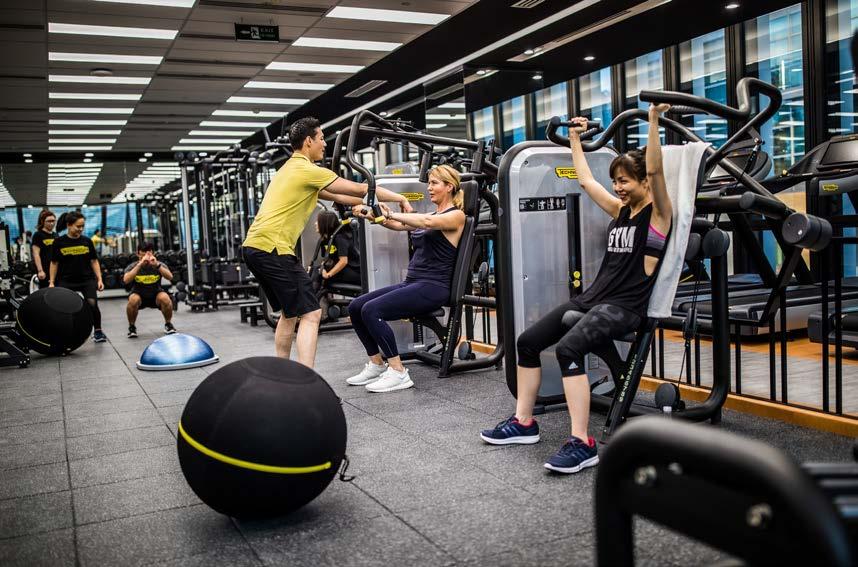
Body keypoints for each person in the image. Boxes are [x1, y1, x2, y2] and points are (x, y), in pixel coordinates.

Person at [479, 104, 674, 474]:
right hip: (594, 299)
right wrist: (573, 138)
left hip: (625, 306)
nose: (617, 187)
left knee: (569, 348)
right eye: (615, 181)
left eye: (625, 181)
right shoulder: (622, 211)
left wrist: (652, 122)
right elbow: (586, 181)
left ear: (645, 183)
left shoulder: (659, 217)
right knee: (527, 342)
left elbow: (655, 169)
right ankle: (524, 422)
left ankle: (582, 442)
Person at [240, 116, 413, 367]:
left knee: (289, 313)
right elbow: (360, 188)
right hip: (273, 249)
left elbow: (341, 196)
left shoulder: (289, 170)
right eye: (321, 138)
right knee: (312, 313)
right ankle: (306, 379)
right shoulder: (308, 170)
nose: (324, 144)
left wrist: (374, 202)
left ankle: (282, 373)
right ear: (308, 141)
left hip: (254, 247)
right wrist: (401, 198)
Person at [345, 164, 467, 393]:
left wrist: (389, 212)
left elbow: (425, 222)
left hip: (433, 286)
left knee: (371, 310)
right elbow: (398, 225)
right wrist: (372, 214)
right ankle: (377, 364)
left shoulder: (456, 216)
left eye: (434, 183)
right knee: (356, 306)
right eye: (429, 183)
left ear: (449, 186)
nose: (429, 188)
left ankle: (399, 371)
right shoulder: (432, 214)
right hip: (412, 283)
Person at [49, 212, 107, 343]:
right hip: (66, 280)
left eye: (82, 226)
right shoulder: (59, 242)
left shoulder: (87, 241)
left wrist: (99, 279)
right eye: (78, 226)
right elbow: (54, 263)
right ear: (69, 225)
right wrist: (52, 282)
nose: (81, 229)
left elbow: (94, 261)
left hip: (86, 279)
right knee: (64, 307)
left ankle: (98, 331)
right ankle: (65, 334)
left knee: (92, 304)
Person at [123, 242, 176, 338]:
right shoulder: (133, 266)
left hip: (155, 295)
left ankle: (168, 324)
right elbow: (126, 280)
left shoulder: (158, 264)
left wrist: (157, 265)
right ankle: (132, 327)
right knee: (133, 299)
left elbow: (170, 277)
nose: (146, 257)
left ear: (153, 253)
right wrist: (139, 265)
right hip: (139, 295)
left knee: (165, 298)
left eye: (148, 254)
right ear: (138, 254)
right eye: (143, 254)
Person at [315, 211, 361, 287]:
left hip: (353, 270)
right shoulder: (324, 239)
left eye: (318, 221)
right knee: (315, 271)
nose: (315, 224)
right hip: (341, 269)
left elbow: (343, 261)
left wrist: (328, 274)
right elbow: (326, 259)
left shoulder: (340, 238)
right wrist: (321, 268)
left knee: (317, 275)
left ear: (325, 223)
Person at [31, 210, 57, 289]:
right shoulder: (38, 235)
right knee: (46, 292)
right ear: (42, 222)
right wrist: (40, 270)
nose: (52, 223)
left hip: (55, 269)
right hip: (44, 269)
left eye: (53, 221)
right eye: (49, 221)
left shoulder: (56, 235)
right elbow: (36, 254)